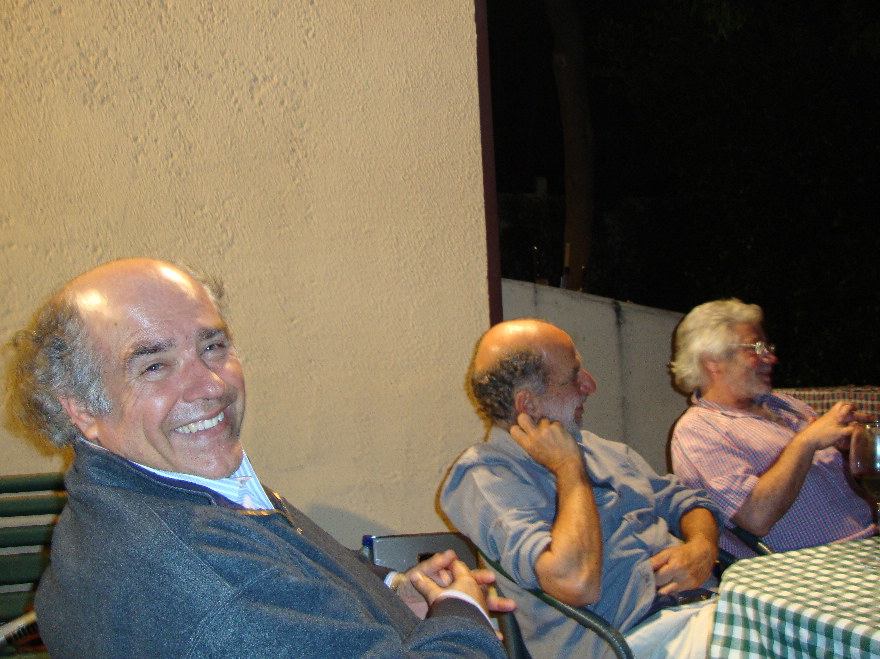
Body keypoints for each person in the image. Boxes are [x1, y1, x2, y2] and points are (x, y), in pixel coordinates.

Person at [5, 257, 512, 657]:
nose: (210, 385)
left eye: (213, 346)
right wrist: (461, 612)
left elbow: (287, 567)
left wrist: (387, 597)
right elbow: (242, 600)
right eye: (155, 365)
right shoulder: (213, 585)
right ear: (81, 407)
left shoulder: (152, 491)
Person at [441, 319, 721, 659]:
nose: (590, 385)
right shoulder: (485, 477)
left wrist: (702, 547)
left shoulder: (604, 450)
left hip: (706, 613)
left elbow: (687, 501)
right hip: (632, 641)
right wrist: (569, 469)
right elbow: (576, 583)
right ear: (528, 405)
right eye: (574, 376)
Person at [669, 298, 875, 558]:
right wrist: (807, 442)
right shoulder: (699, 430)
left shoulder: (784, 405)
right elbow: (756, 517)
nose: (772, 358)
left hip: (869, 540)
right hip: (820, 564)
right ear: (713, 360)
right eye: (756, 348)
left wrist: (852, 446)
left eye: (768, 347)